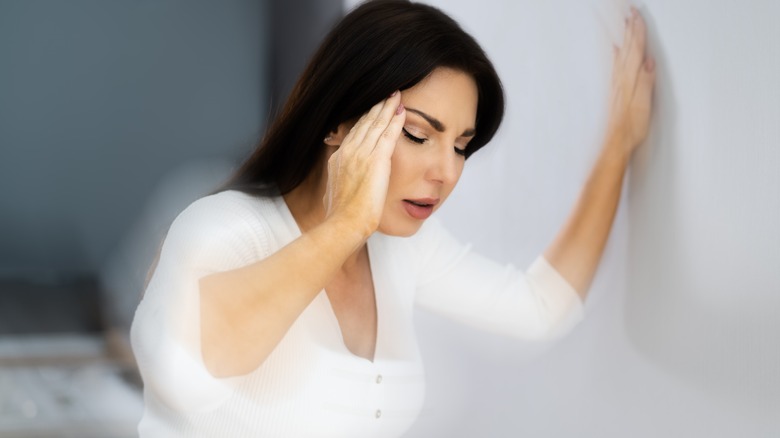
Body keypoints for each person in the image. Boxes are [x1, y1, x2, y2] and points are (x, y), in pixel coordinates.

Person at [130, 1, 655, 436]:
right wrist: (344, 226)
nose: (446, 172)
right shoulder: (220, 230)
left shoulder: (402, 249)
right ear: (339, 121)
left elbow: (539, 308)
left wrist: (618, 149)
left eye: (462, 147)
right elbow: (195, 365)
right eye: (420, 135)